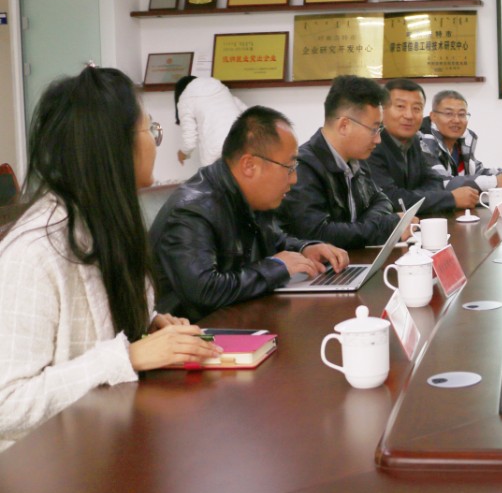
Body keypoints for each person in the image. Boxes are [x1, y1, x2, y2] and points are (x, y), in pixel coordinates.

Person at [0, 66, 218, 451]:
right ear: (114, 146)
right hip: (46, 470)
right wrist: (127, 356)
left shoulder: (107, 222)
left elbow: (96, 327)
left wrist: (146, 323)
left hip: (106, 444)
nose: (156, 143)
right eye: (150, 130)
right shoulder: (33, 253)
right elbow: (8, 404)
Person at [150, 106, 350, 320]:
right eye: (289, 167)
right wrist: (276, 268)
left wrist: (304, 249)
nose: (294, 179)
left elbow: (271, 239)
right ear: (249, 165)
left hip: (239, 318)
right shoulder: (191, 210)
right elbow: (204, 291)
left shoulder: (248, 194)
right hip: (197, 331)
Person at [278, 75, 409, 250]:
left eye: (380, 129)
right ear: (344, 125)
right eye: (374, 129)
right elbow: (317, 234)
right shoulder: (303, 168)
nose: (378, 139)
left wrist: (363, 226)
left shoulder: (356, 158)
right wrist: (385, 227)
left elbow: (381, 200)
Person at [367, 78, 480, 214]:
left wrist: (412, 197)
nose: (409, 115)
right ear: (382, 110)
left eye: (416, 108)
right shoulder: (371, 145)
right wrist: (450, 198)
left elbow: (435, 181)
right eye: (400, 106)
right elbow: (390, 198)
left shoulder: (415, 140)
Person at [420, 89, 502, 193]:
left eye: (462, 114)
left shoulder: (462, 141)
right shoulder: (423, 141)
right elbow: (443, 183)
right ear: (433, 116)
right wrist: (496, 181)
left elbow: (476, 172)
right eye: (449, 114)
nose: (456, 120)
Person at [174, 75, 247, 168]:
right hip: (240, 141)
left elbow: (189, 142)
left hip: (215, 152)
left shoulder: (185, 99)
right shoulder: (221, 89)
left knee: (215, 176)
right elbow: (247, 111)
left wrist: (183, 153)